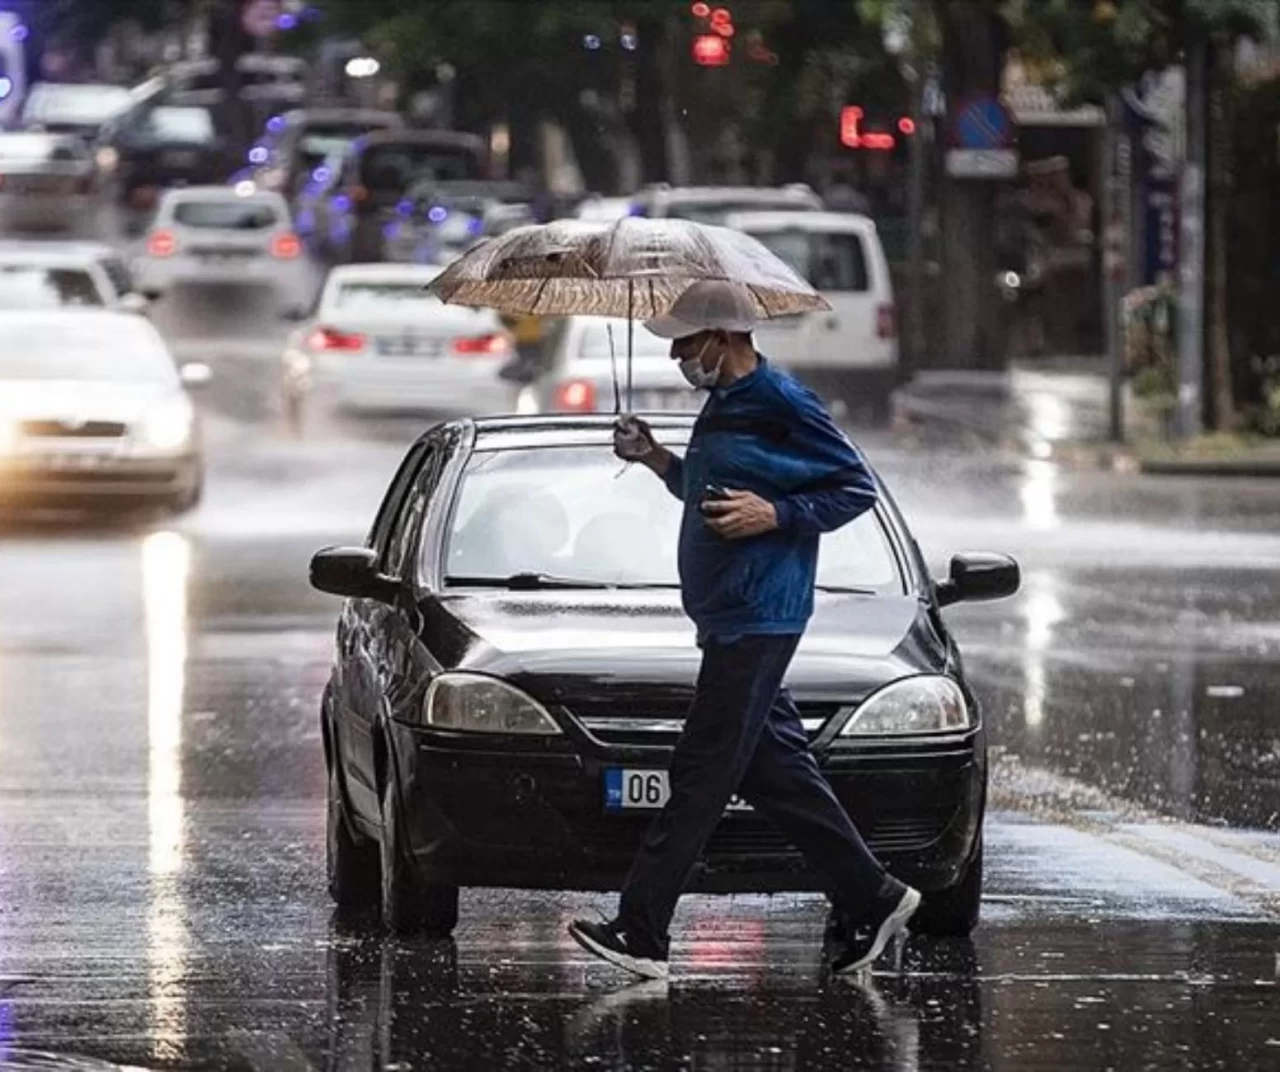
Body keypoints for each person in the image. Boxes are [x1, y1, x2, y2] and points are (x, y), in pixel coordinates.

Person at [568, 280, 920, 981]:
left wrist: (777, 516)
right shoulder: (723, 406)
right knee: (775, 771)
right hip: (729, 613)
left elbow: (854, 487)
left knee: (699, 772)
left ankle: (642, 929)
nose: (676, 358)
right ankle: (873, 897)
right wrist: (657, 459)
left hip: (761, 615)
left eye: (684, 344)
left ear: (724, 338)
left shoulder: (780, 400)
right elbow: (707, 492)